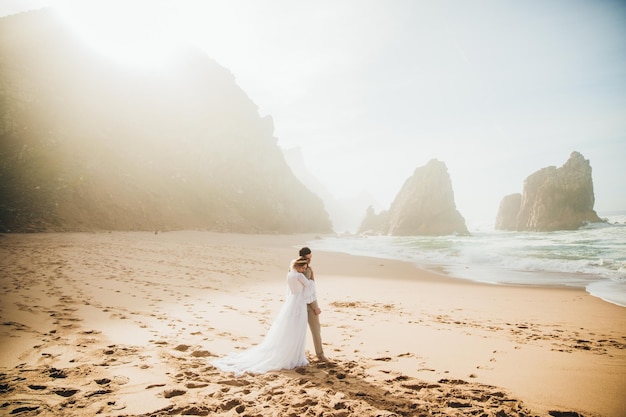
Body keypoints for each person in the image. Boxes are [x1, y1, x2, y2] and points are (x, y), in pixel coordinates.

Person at [211, 257, 311, 375]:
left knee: (289, 329)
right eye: (303, 268)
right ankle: (294, 356)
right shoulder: (299, 276)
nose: (304, 270)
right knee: (298, 329)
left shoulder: (289, 275)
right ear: (298, 267)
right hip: (298, 304)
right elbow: (308, 285)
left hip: (291, 303)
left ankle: (292, 353)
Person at [299, 247, 327, 361]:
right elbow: (308, 292)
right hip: (308, 305)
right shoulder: (306, 269)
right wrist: (315, 307)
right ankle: (320, 354)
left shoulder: (294, 269)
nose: (311, 258)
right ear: (306, 256)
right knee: (316, 329)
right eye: (310, 255)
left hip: (297, 304)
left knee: (298, 331)